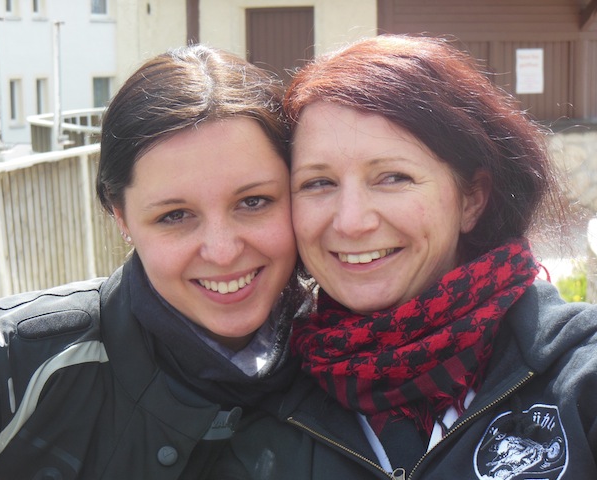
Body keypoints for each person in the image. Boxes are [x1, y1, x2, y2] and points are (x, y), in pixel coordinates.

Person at [224, 35, 597, 479]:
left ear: (472, 199)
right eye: (318, 183)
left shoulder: (578, 377)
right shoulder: (259, 404)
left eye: (393, 177)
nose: (351, 222)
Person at [0, 44, 304, 479]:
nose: (222, 251)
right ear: (120, 215)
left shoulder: (358, 370)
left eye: (254, 201)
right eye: (175, 215)